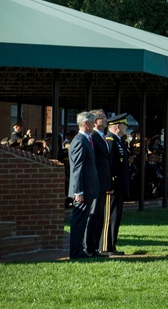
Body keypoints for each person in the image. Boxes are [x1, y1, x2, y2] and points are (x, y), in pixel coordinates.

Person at [68, 111, 100, 260]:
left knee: (82, 222)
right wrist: (78, 191)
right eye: (93, 122)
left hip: (87, 189)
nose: (95, 124)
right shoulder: (80, 141)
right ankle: (75, 253)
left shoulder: (85, 139)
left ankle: (79, 251)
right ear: (86, 124)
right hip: (82, 191)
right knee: (78, 222)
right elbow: (77, 169)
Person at [101, 113, 131, 256]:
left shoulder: (118, 141)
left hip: (119, 186)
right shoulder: (110, 140)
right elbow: (108, 165)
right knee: (109, 217)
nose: (126, 128)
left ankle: (112, 245)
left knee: (116, 216)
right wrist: (110, 184)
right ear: (118, 126)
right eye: (125, 125)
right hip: (113, 186)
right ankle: (106, 247)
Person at [87, 110, 111, 257]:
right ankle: (89, 247)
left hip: (103, 183)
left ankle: (95, 247)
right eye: (103, 117)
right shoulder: (93, 137)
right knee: (94, 215)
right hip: (97, 183)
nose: (106, 119)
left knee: (100, 215)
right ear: (95, 122)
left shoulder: (102, 137)